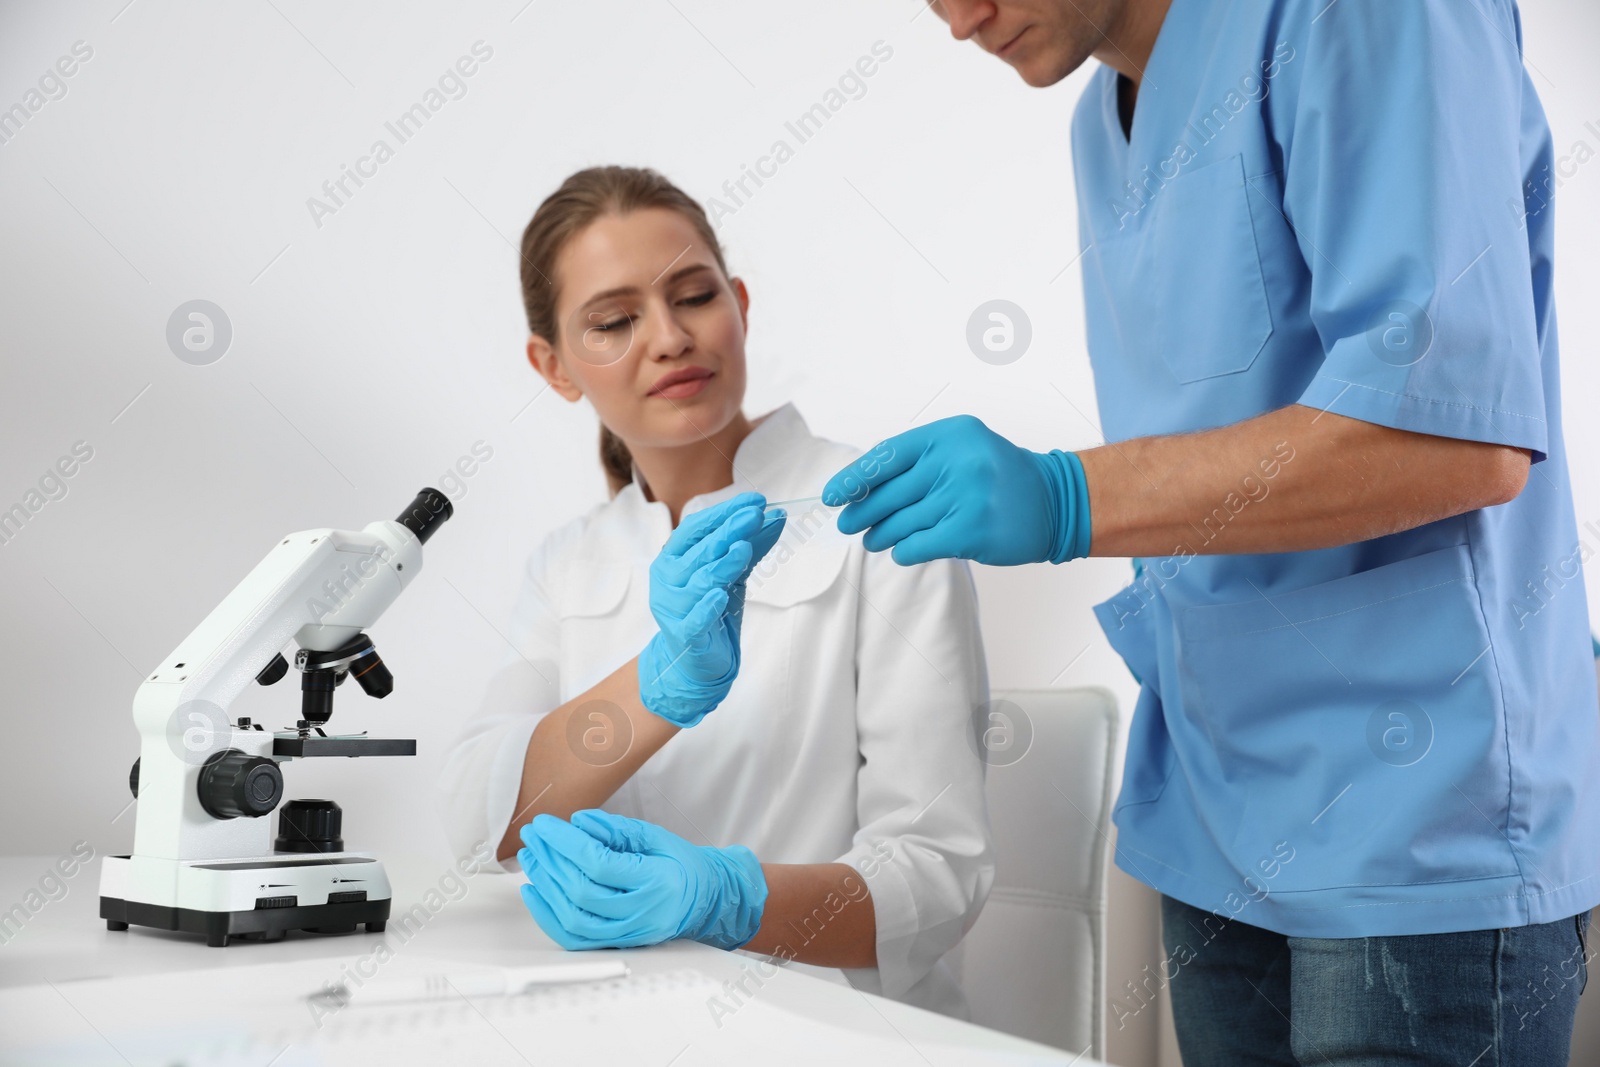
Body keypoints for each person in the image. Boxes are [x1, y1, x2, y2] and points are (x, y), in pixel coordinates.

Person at [822, 1, 1598, 1062]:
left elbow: (1455, 438)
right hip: (1213, 808)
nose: (961, 18)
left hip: (1413, 821)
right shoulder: (1104, 116)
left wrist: (1065, 497)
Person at [438, 166, 994, 1016]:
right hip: (611, 1019)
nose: (667, 337)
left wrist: (730, 900)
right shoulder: (568, 562)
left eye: (693, 296)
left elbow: (938, 871)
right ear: (553, 367)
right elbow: (481, 822)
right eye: (615, 320)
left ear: (738, 303)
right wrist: (657, 688)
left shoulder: (877, 513)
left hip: (825, 1024)